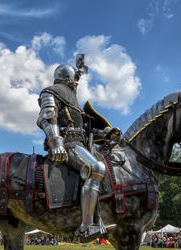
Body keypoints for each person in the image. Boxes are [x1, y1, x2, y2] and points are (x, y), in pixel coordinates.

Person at [37, 61, 120, 238]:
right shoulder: (51, 92)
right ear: (66, 77)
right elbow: (46, 118)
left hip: (80, 145)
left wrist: (106, 133)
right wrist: (56, 143)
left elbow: (85, 132)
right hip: (67, 145)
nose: (77, 82)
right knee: (96, 168)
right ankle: (86, 227)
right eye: (75, 78)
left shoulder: (75, 103)